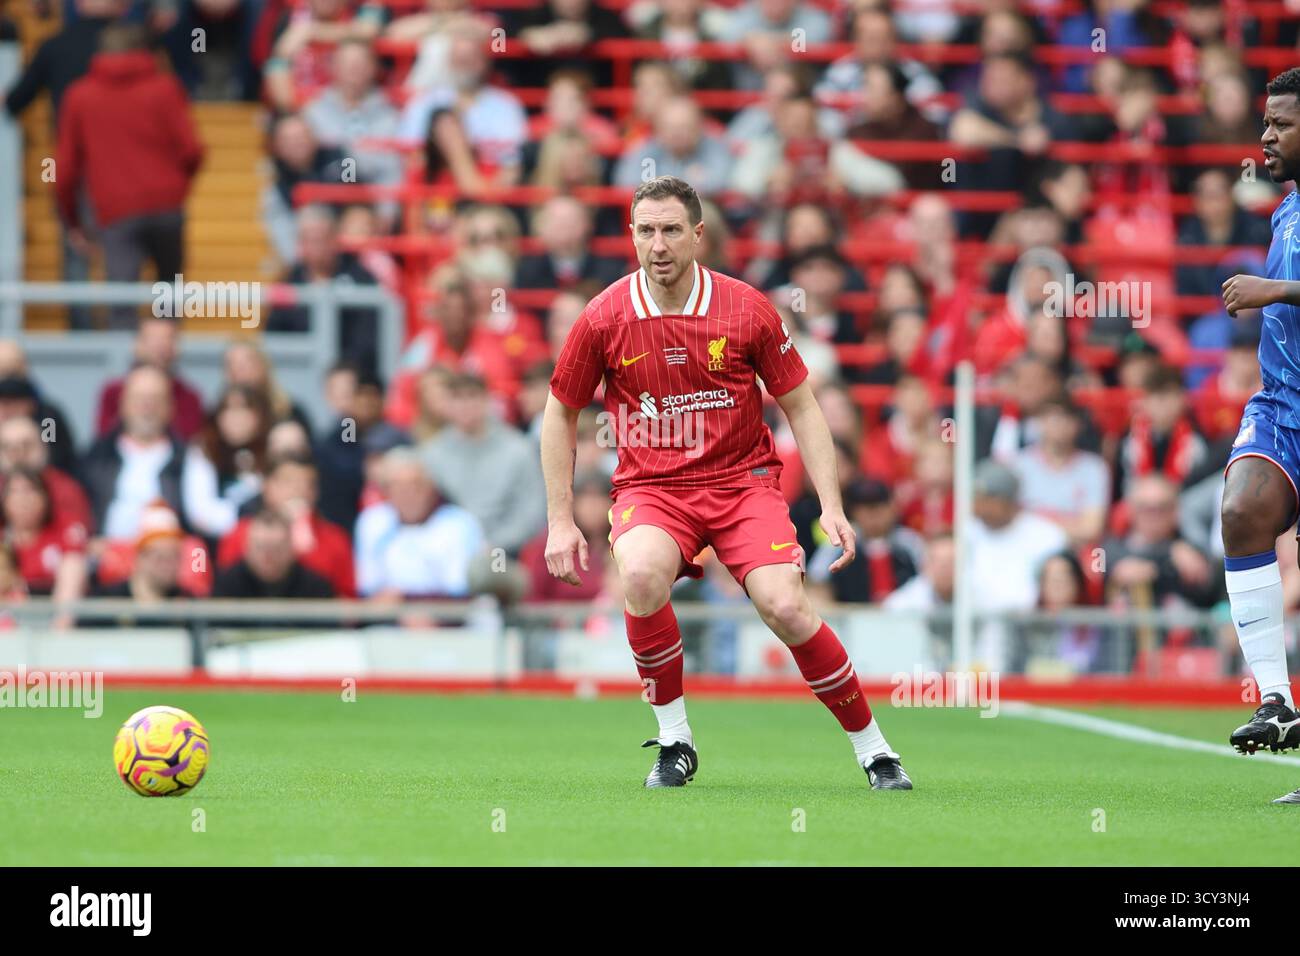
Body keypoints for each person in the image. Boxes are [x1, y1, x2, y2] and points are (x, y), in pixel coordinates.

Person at [541, 175, 911, 790]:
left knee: (787, 607)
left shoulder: (746, 308)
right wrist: (559, 520)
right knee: (637, 575)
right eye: (645, 230)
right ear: (631, 235)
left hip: (743, 486)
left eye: (670, 230)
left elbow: (802, 405)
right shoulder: (603, 316)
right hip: (653, 491)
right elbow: (560, 413)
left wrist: (832, 504)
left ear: (698, 235)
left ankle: (876, 751)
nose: (657, 245)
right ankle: (674, 741)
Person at [1211, 70, 1300, 801]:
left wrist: (1276, 289)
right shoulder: (1286, 209)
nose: (1266, 137)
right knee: (1241, 510)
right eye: (1266, 123)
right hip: (1282, 404)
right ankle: (1276, 700)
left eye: (1281, 124)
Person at [55, 22, 204, 328]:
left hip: (115, 210)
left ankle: (125, 372)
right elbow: (193, 150)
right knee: (169, 295)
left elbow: (66, 168)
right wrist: (175, 188)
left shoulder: (80, 95)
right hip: (166, 207)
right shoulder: (165, 88)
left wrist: (73, 221)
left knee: (121, 302)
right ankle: (165, 367)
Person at [212, 508, 335, 599]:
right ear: (247, 548)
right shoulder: (227, 585)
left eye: (276, 549)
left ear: (291, 549)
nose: (267, 556)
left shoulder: (315, 588)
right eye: (260, 547)